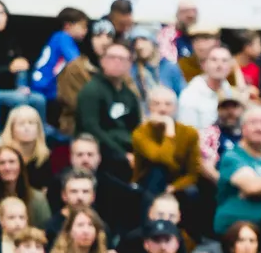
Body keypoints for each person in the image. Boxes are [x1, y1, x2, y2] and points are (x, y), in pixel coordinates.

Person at [75, 41, 140, 181]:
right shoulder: (91, 91)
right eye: (112, 57)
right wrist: (122, 154)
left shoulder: (129, 95)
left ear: (129, 64)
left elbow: (136, 128)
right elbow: (90, 128)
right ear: (102, 61)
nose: (116, 62)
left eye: (122, 59)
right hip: (102, 151)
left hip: (127, 148)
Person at [130, 86, 201, 196]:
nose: (162, 109)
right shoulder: (140, 133)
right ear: (149, 108)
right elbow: (161, 159)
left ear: (175, 108)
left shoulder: (190, 133)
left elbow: (193, 174)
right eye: (156, 104)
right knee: (158, 169)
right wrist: (169, 128)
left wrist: (174, 187)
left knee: (191, 191)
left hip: (177, 182)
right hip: (147, 181)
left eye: (168, 104)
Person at [215, 103, 261, 235]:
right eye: (253, 122)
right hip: (235, 228)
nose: (259, 128)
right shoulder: (232, 156)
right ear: (243, 127)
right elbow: (253, 187)